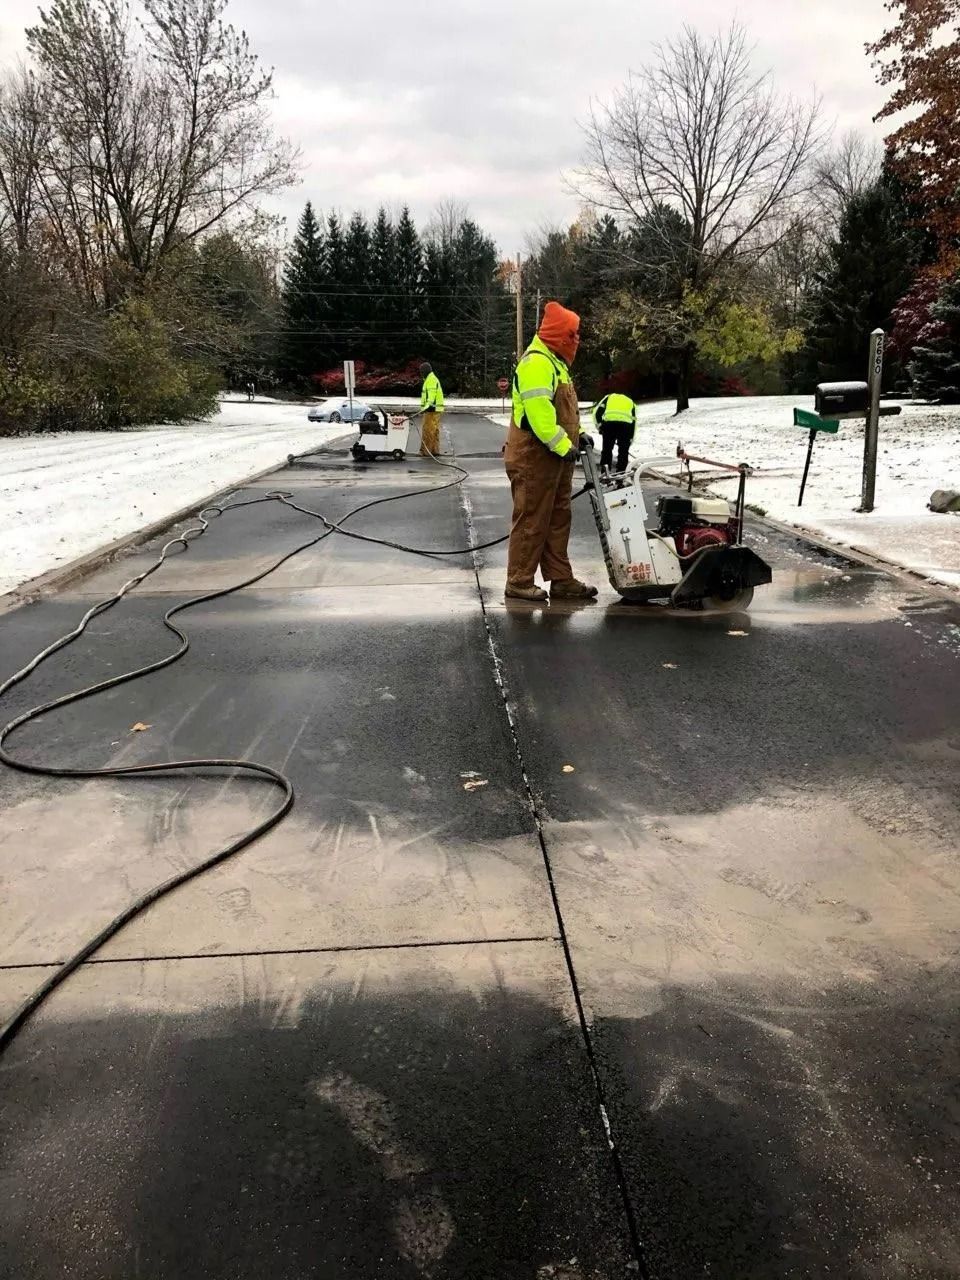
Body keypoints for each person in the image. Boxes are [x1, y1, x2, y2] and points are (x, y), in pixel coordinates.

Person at [503, 301, 597, 602]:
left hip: (554, 458)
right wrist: (561, 444)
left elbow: (562, 414)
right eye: (573, 334)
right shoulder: (536, 363)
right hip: (535, 456)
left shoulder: (555, 364)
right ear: (559, 335)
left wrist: (578, 435)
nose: (576, 340)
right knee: (532, 518)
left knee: (558, 518)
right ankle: (518, 581)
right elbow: (539, 414)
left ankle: (561, 579)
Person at [591, 391, 636, 474]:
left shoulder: (608, 397)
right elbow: (634, 421)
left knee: (607, 450)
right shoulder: (630, 401)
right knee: (623, 451)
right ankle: (621, 474)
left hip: (609, 425)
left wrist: (600, 427)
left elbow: (596, 412)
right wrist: (631, 437)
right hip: (626, 426)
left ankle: (605, 473)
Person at [419, 362, 444, 456]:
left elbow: (431, 395)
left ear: (425, 371)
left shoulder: (431, 380)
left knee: (428, 430)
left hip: (431, 409)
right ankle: (434, 450)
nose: (421, 373)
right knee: (434, 430)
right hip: (435, 409)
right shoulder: (430, 379)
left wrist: (427, 407)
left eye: (421, 371)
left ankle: (426, 451)